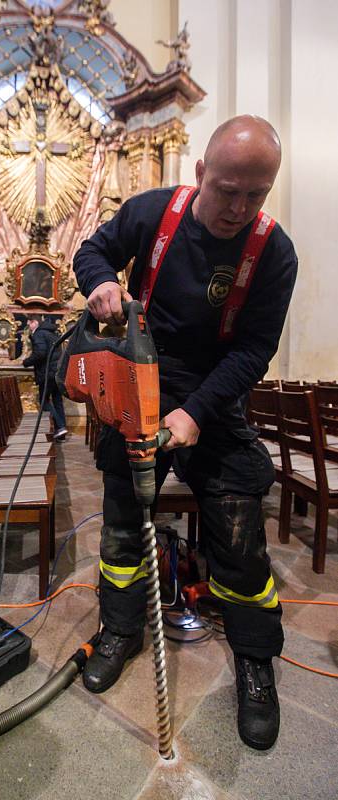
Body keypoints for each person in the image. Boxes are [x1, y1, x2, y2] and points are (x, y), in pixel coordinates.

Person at [73, 115, 298, 751]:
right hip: (141, 379)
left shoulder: (273, 253)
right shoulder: (152, 213)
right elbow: (90, 250)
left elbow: (254, 350)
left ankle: (256, 660)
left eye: (256, 194)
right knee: (123, 520)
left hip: (216, 394)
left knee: (238, 532)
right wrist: (102, 282)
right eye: (227, 189)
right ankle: (120, 629)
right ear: (201, 172)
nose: (239, 208)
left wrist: (195, 415)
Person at [23, 316, 68, 440]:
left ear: (35, 322)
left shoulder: (39, 334)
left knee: (44, 402)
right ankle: (61, 432)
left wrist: (26, 362)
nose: (29, 327)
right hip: (56, 373)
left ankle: (59, 427)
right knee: (57, 401)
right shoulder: (52, 333)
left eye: (30, 324)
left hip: (46, 372)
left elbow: (40, 353)